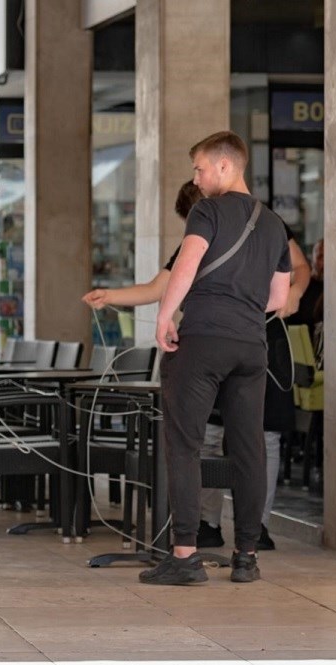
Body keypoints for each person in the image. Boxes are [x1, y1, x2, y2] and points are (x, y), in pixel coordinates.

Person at [83, 180, 310, 552]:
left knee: (218, 439)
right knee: (245, 441)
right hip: (252, 342)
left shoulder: (254, 226)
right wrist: (111, 296)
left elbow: (295, 274)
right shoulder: (263, 223)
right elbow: (164, 283)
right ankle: (241, 543)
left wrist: (166, 318)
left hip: (217, 342)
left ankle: (195, 541)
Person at [141, 131, 292, 587]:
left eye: (200, 168)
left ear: (225, 167)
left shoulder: (207, 211)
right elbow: (279, 297)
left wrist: (166, 315)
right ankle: (246, 555)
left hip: (203, 339)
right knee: (247, 450)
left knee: (184, 445)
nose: (197, 178)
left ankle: (185, 556)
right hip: (251, 348)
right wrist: (242, 308)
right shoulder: (274, 223)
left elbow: (187, 264)